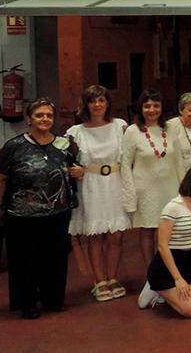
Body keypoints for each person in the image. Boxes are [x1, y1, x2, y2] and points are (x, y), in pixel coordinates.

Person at [0, 98, 81, 319]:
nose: (45, 119)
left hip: (58, 213)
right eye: (39, 115)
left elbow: (74, 169)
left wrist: (79, 171)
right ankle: (27, 303)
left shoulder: (64, 145)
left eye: (49, 115)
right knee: (25, 260)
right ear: (29, 119)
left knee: (55, 258)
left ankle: (53, 299)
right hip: (22, 215)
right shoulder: (13, 146)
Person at [66, 85, 130, 302]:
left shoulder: (120, 126)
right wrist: (74, 170)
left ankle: (113, 277)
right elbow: (66, 160)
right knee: (95, 235)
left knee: (116, 235)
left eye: (101, 100)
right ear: (86, 105)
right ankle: (100, 281)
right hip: (91, 184)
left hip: (115, 182)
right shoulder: (75, 132)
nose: (97, 105)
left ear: (108, 103)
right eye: (92, 101)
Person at [144, 165, 191, 316]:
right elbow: (162, 245)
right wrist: (178, 279)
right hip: (166, 265)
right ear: (189, 180)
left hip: (188, 262)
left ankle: (177, 294)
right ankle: (156, 290)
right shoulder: (173, 207)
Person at [121, 89, 178, 268]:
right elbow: (125, 165)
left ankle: (167, 270)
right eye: (147, 106)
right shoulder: (132, 131)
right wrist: (129, 195)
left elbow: (178, 161)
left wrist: (184, 192)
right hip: (145, 191)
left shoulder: (170, 128)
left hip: (170, 189)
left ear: (162, 107)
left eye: (156, 105)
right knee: (148, 231)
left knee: (168, 233)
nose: (152, 110)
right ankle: (151, 273)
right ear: (140, 108)